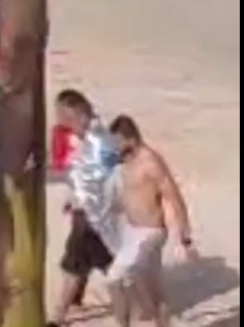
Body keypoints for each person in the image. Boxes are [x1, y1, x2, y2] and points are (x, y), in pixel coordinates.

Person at [105, 114, 197, 327]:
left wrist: (185, 238)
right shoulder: (123, 160)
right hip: (130, 231)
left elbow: (174, 198)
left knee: (116, 277)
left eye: (118, 142)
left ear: (131, 139)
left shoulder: (151, 162)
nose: (114, 147)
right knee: (153, 287)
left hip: (150, 232)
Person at [47, 89, 119, 327]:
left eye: (64, 117)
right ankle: (74, 301)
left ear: (79, 115)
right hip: (85, 209)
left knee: (76, 260)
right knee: (98, 258)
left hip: (93, 212)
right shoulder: (76, 136)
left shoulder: (99, 141)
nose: (60, 122)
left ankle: (58, 316)